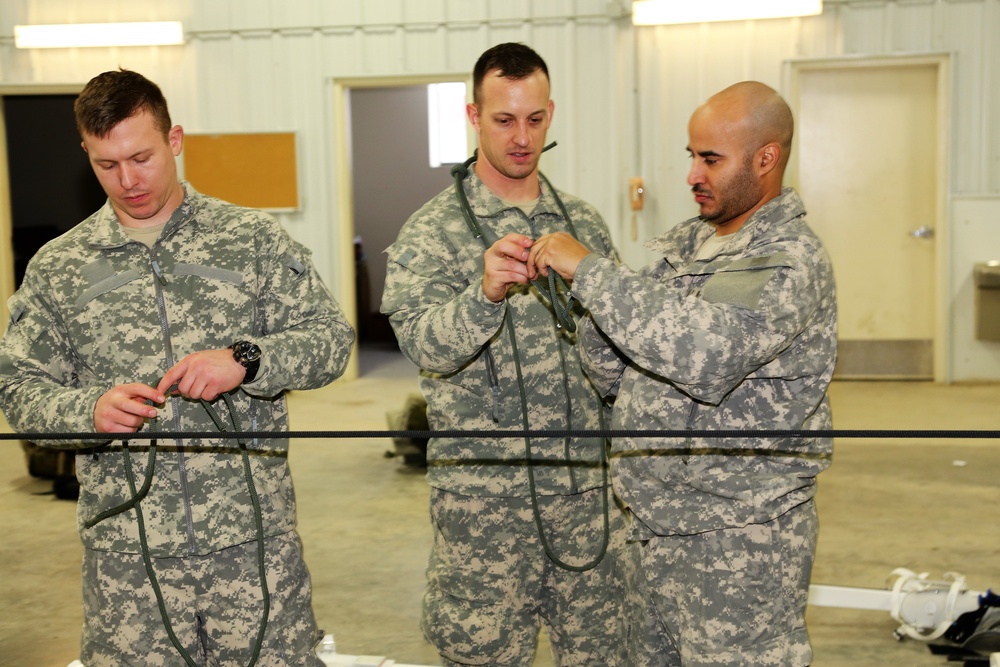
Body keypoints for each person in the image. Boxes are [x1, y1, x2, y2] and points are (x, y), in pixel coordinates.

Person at [0, 69, 354, 666]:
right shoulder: (57, 268)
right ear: (86, 153)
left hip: (251, 545)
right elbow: (18, 388)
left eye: (141, 157)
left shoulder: (251, 240)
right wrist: (85, 410)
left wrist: (248, 359)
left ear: (176, 140)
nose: (128, 180)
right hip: (127, 557)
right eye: (106, 164)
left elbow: (331, 340)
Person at [527, 81, 838, 666]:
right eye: (691, 156)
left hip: (738, 537)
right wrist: (577, 294)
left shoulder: (787, 257)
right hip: (651, 524)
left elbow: (708, 355)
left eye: (711, 159)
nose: (693, 173)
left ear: (766, 158)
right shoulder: (687, 246)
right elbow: (616, 377)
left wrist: (592, 273)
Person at [380, 43, 627, 667]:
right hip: (485, 513)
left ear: (551, 114)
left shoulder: (585, 226)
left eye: (535, 119)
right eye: (504, 120)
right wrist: (482, 296)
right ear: (473, 114)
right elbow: (422, 346)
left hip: (587, 500)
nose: (522, 137)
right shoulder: (432, 232)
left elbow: (624, 352)